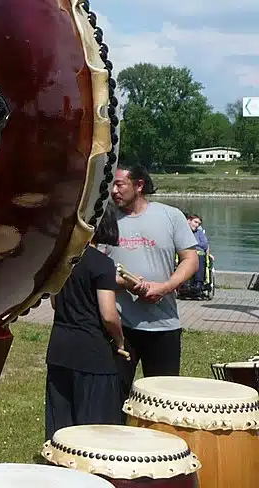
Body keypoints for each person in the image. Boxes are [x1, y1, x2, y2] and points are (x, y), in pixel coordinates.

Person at [106, 165, 199, 400]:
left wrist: (165, 287)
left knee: (162, 400)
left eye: (120, 184)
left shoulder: (171, 216)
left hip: (163, 326)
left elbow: (190, 260)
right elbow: (95, 268)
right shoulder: (106, 219)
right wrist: (124, 283)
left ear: (139, 186)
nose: (113, 190)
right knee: (114, 397)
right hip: (119, 327)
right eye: (111, 185)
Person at [44, 203, 129, 440]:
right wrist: (120, 342)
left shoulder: (62, 258)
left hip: (60, 347)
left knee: (60, 423)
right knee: (95, 426)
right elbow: (109, 315)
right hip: (92, 351)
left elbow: (53, 303)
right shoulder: (102, 264)